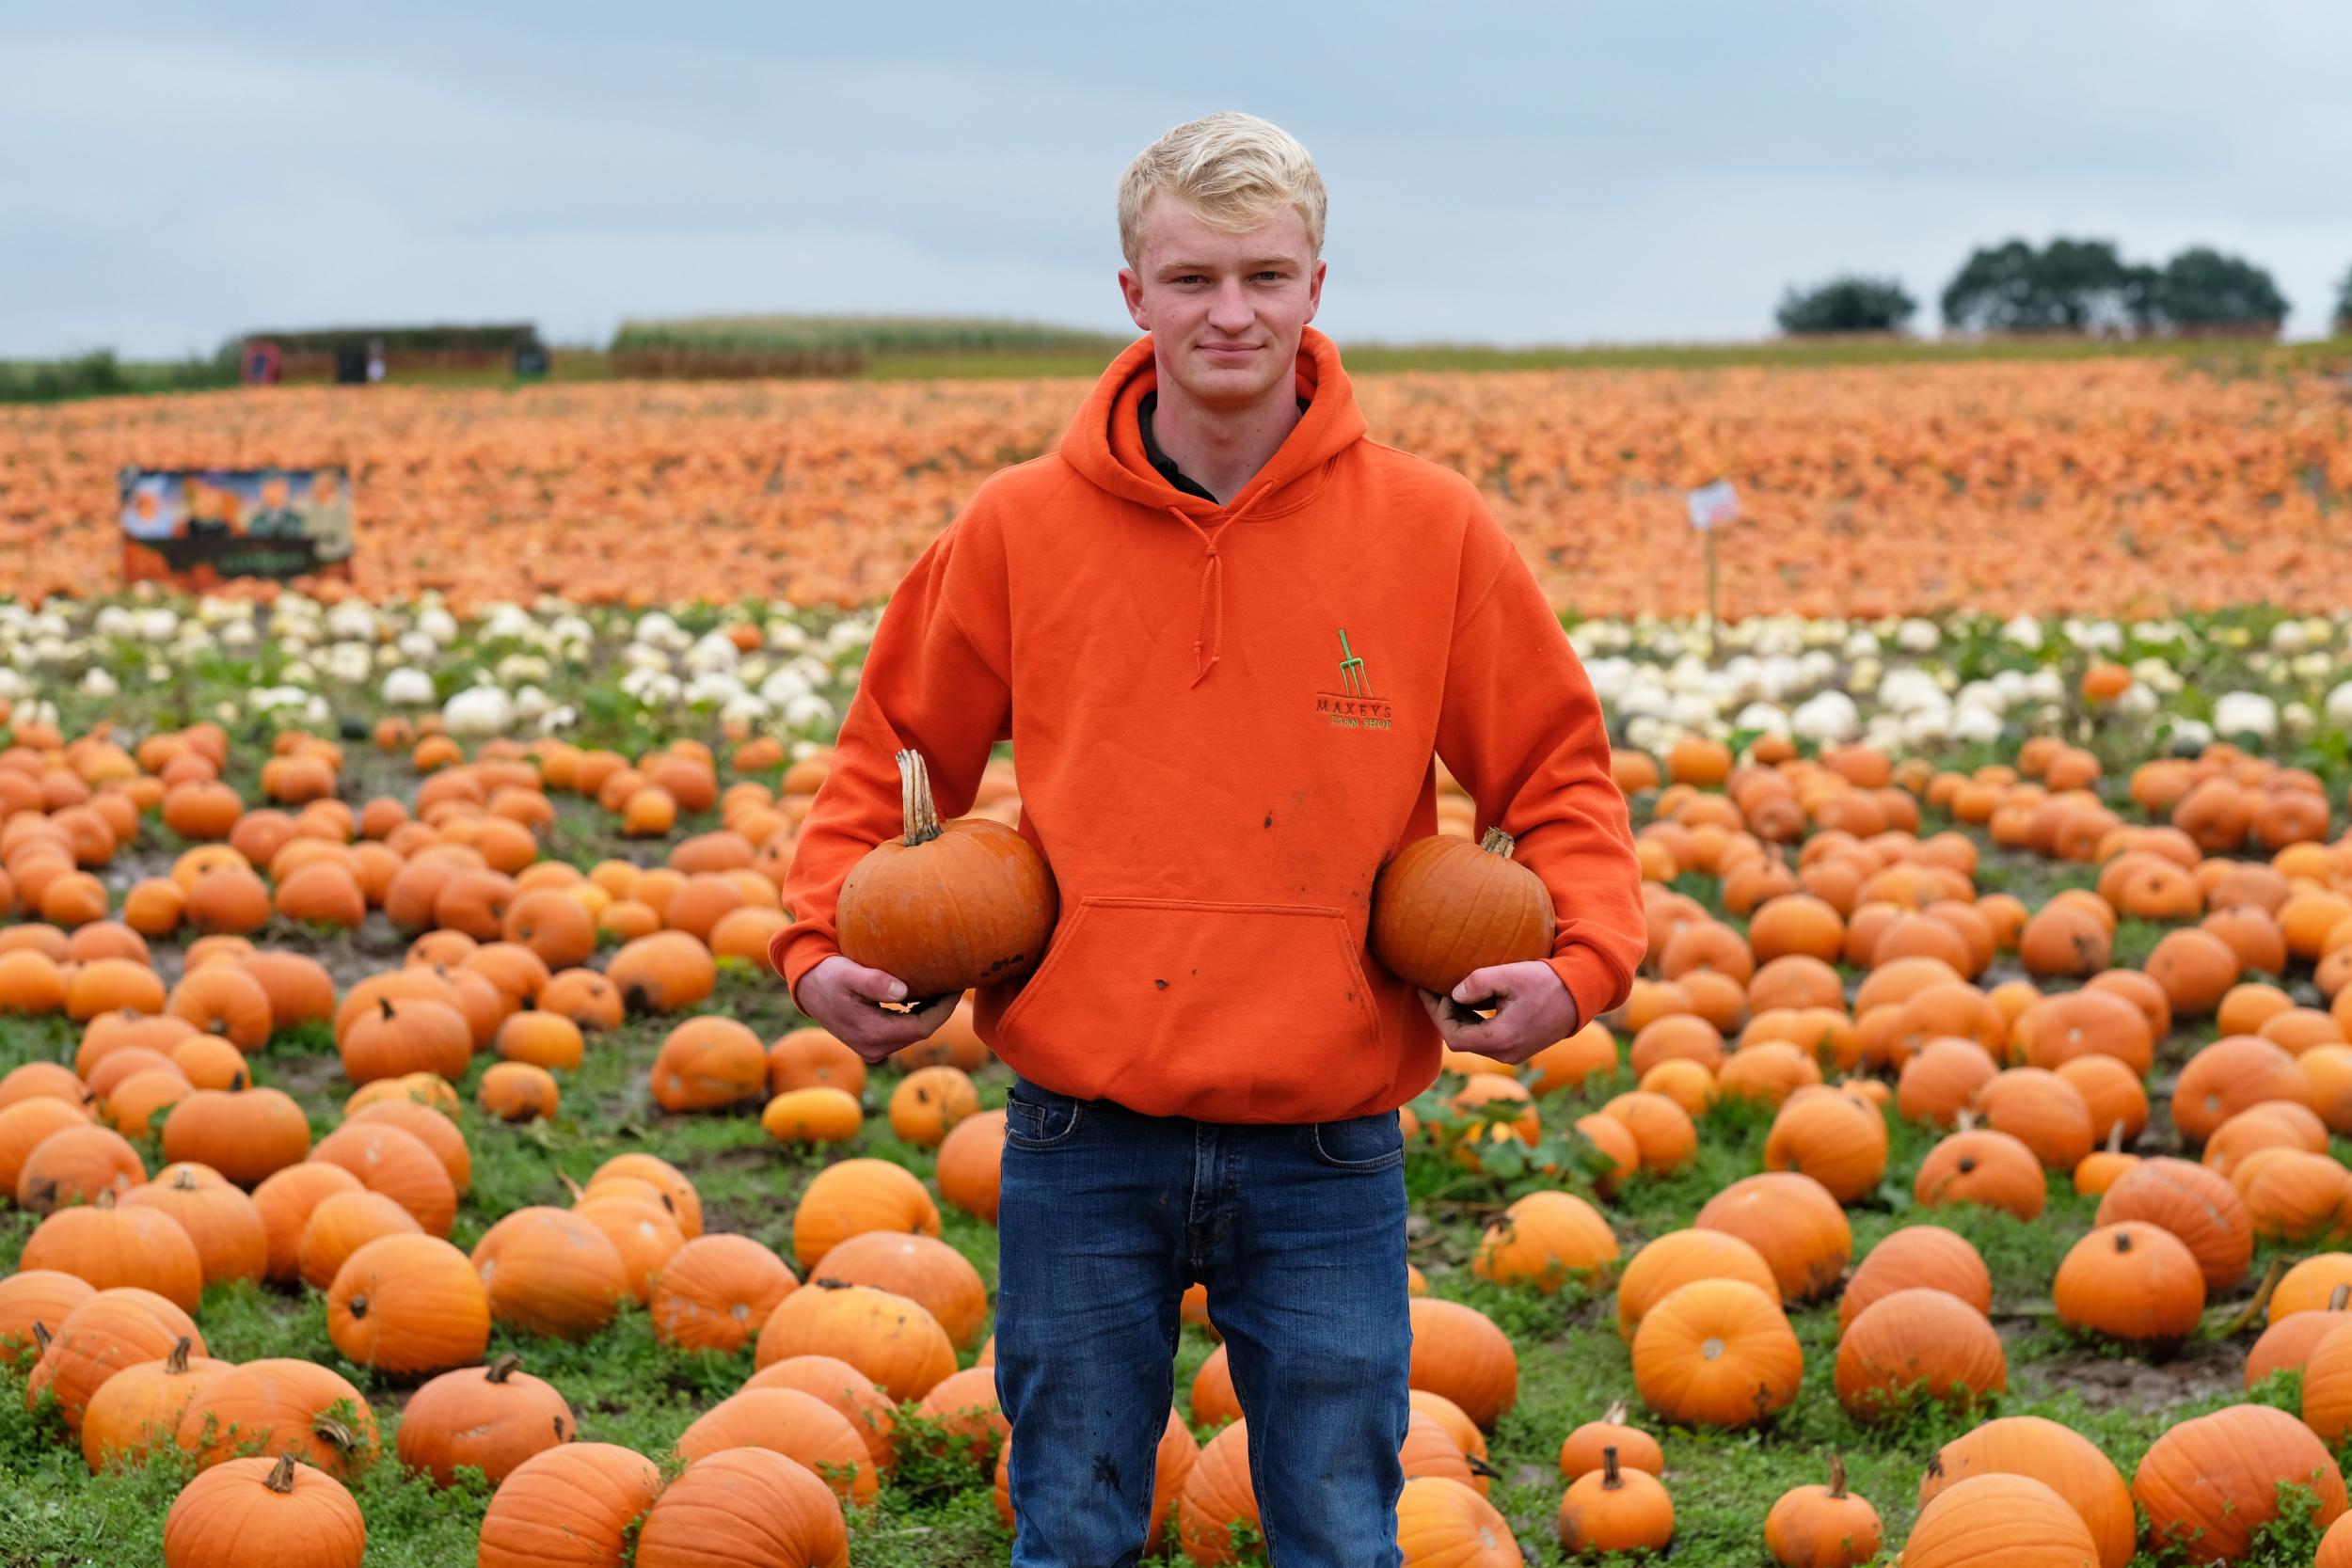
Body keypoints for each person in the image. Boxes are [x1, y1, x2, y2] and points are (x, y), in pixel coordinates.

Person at [773, 111, 1645, 1568]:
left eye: (1262, 276)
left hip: (1326, 1136)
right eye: (1191, 280)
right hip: (1077, 1127)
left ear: (1316, 286)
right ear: (1132, 295)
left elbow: (1556, 765)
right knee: (1074, 1531)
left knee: (1337, 1539)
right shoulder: (1017, 529)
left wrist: (1586, 959)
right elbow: (892, 753)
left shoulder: (1432, 530)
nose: (1228, 312)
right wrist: (816, 948)